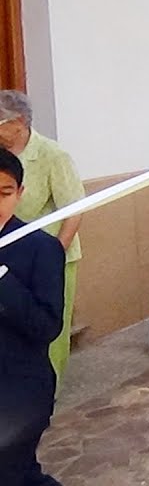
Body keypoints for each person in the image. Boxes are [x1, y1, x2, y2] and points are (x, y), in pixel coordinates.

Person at [0, 91, 83, 391]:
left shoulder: (52, 155)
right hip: (9, 253)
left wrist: (53, 255)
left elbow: (73, 210)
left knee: (49, 330)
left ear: (19, 122)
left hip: (48, 252)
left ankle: (49, 390)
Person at [0, 147, 65, 486]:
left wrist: (3, 281)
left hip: (18, 391)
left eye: (4, 192)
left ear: (20, 193)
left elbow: (46, 326)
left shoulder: (41, 248)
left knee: (14, 474)